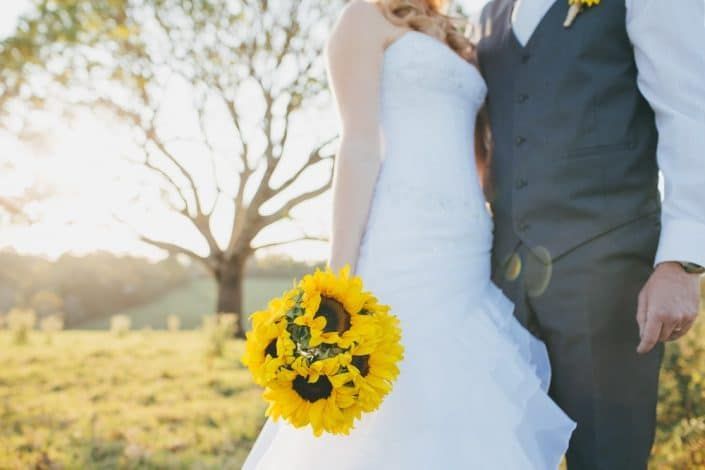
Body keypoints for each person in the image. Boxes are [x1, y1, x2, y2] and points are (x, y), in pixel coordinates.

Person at [243, 1, 574, 468]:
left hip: (468, 245)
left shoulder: (456, 32)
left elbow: (480, 152)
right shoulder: (362, 17)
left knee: (460, 396)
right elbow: (358, 143)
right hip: (402, 236)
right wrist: (337, 277)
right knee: (396, 393)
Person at [477, 0, 705, 468]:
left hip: (609, 277)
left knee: (608, 458)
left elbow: (690, 113)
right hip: (499, 285)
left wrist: (682, 262)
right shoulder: (488, 13)